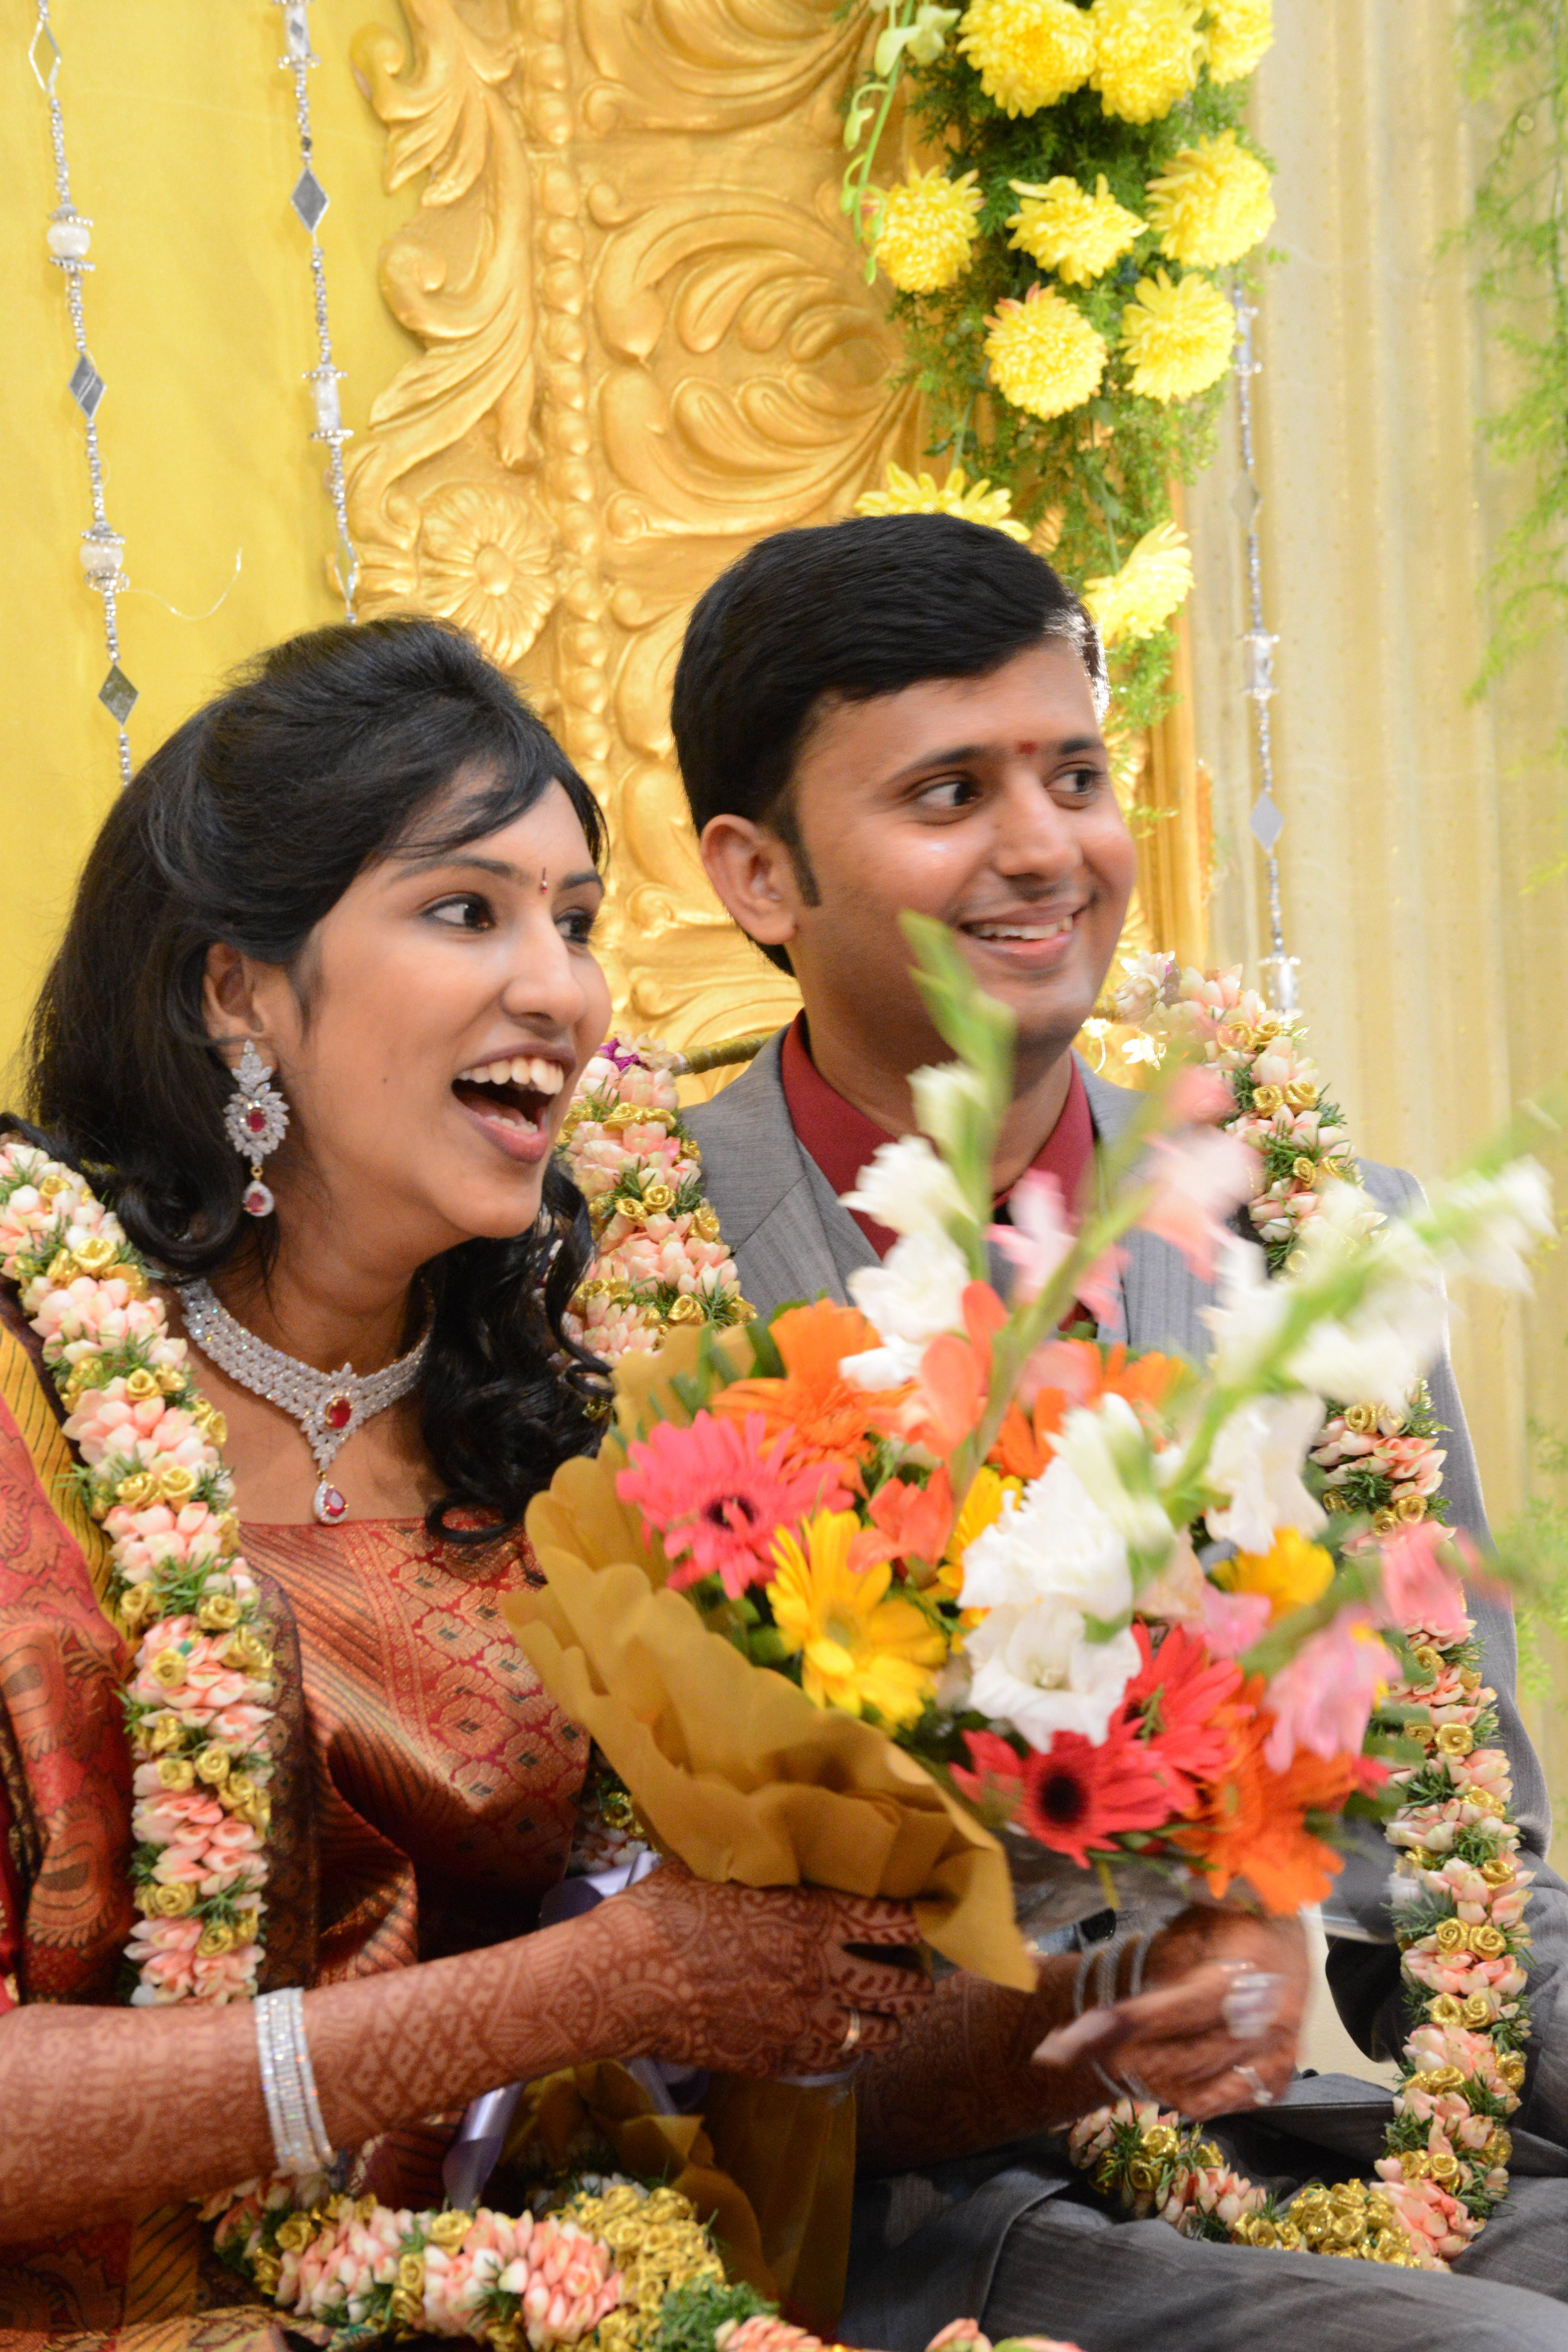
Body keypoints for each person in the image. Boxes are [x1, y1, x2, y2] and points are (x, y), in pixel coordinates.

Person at [0, 614, 1351, 2348]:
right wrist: (594, 1985)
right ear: (233, 987)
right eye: (465, 911)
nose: (560, 993)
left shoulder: (578, 1443)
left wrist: (1112, 2006)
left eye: (574, 924)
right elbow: (617, 1994)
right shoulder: (40, 1401)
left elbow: (747, 2078)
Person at [672, 513, 1568, 2349]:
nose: (1045, 848)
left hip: (1320, 2147)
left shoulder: (1307, 1238)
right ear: (760, 877)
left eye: (1076, 776)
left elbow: (1470, 1878)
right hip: (906, 2205)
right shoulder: (624, 1282)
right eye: (949, 792)